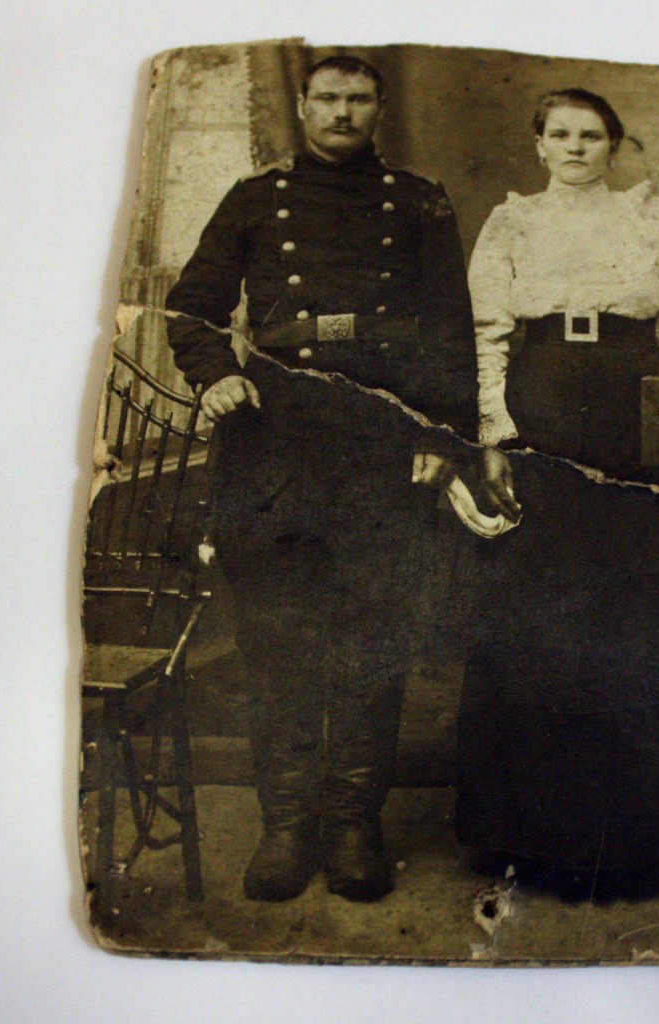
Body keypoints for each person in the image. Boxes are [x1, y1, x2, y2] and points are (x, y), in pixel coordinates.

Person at [166, 56, 487, 903]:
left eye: (359, 98)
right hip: (275, 442)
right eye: (328, 98)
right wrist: (215, 375)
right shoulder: (253, 199)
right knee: (276, 643)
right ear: (303, 106)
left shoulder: (418, 202)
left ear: (378, 108)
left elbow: (450, 330)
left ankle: (352, 825)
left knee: (373, 642)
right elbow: (191, 306)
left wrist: (440, 436)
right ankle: (285, 826)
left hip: (381, 443)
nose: (343, 111)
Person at [456, 88, 659, 896]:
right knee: (545, 609)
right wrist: (495, 428)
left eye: (592, 135)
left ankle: (647, 840)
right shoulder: (511, 223)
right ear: (539, 145)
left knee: (639, 605)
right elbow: (487, 332)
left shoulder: (654, 216)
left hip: (632, 399)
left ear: (614, 147)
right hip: (544, 398)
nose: (576, 147)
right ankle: (535, 834)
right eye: (561, 134)